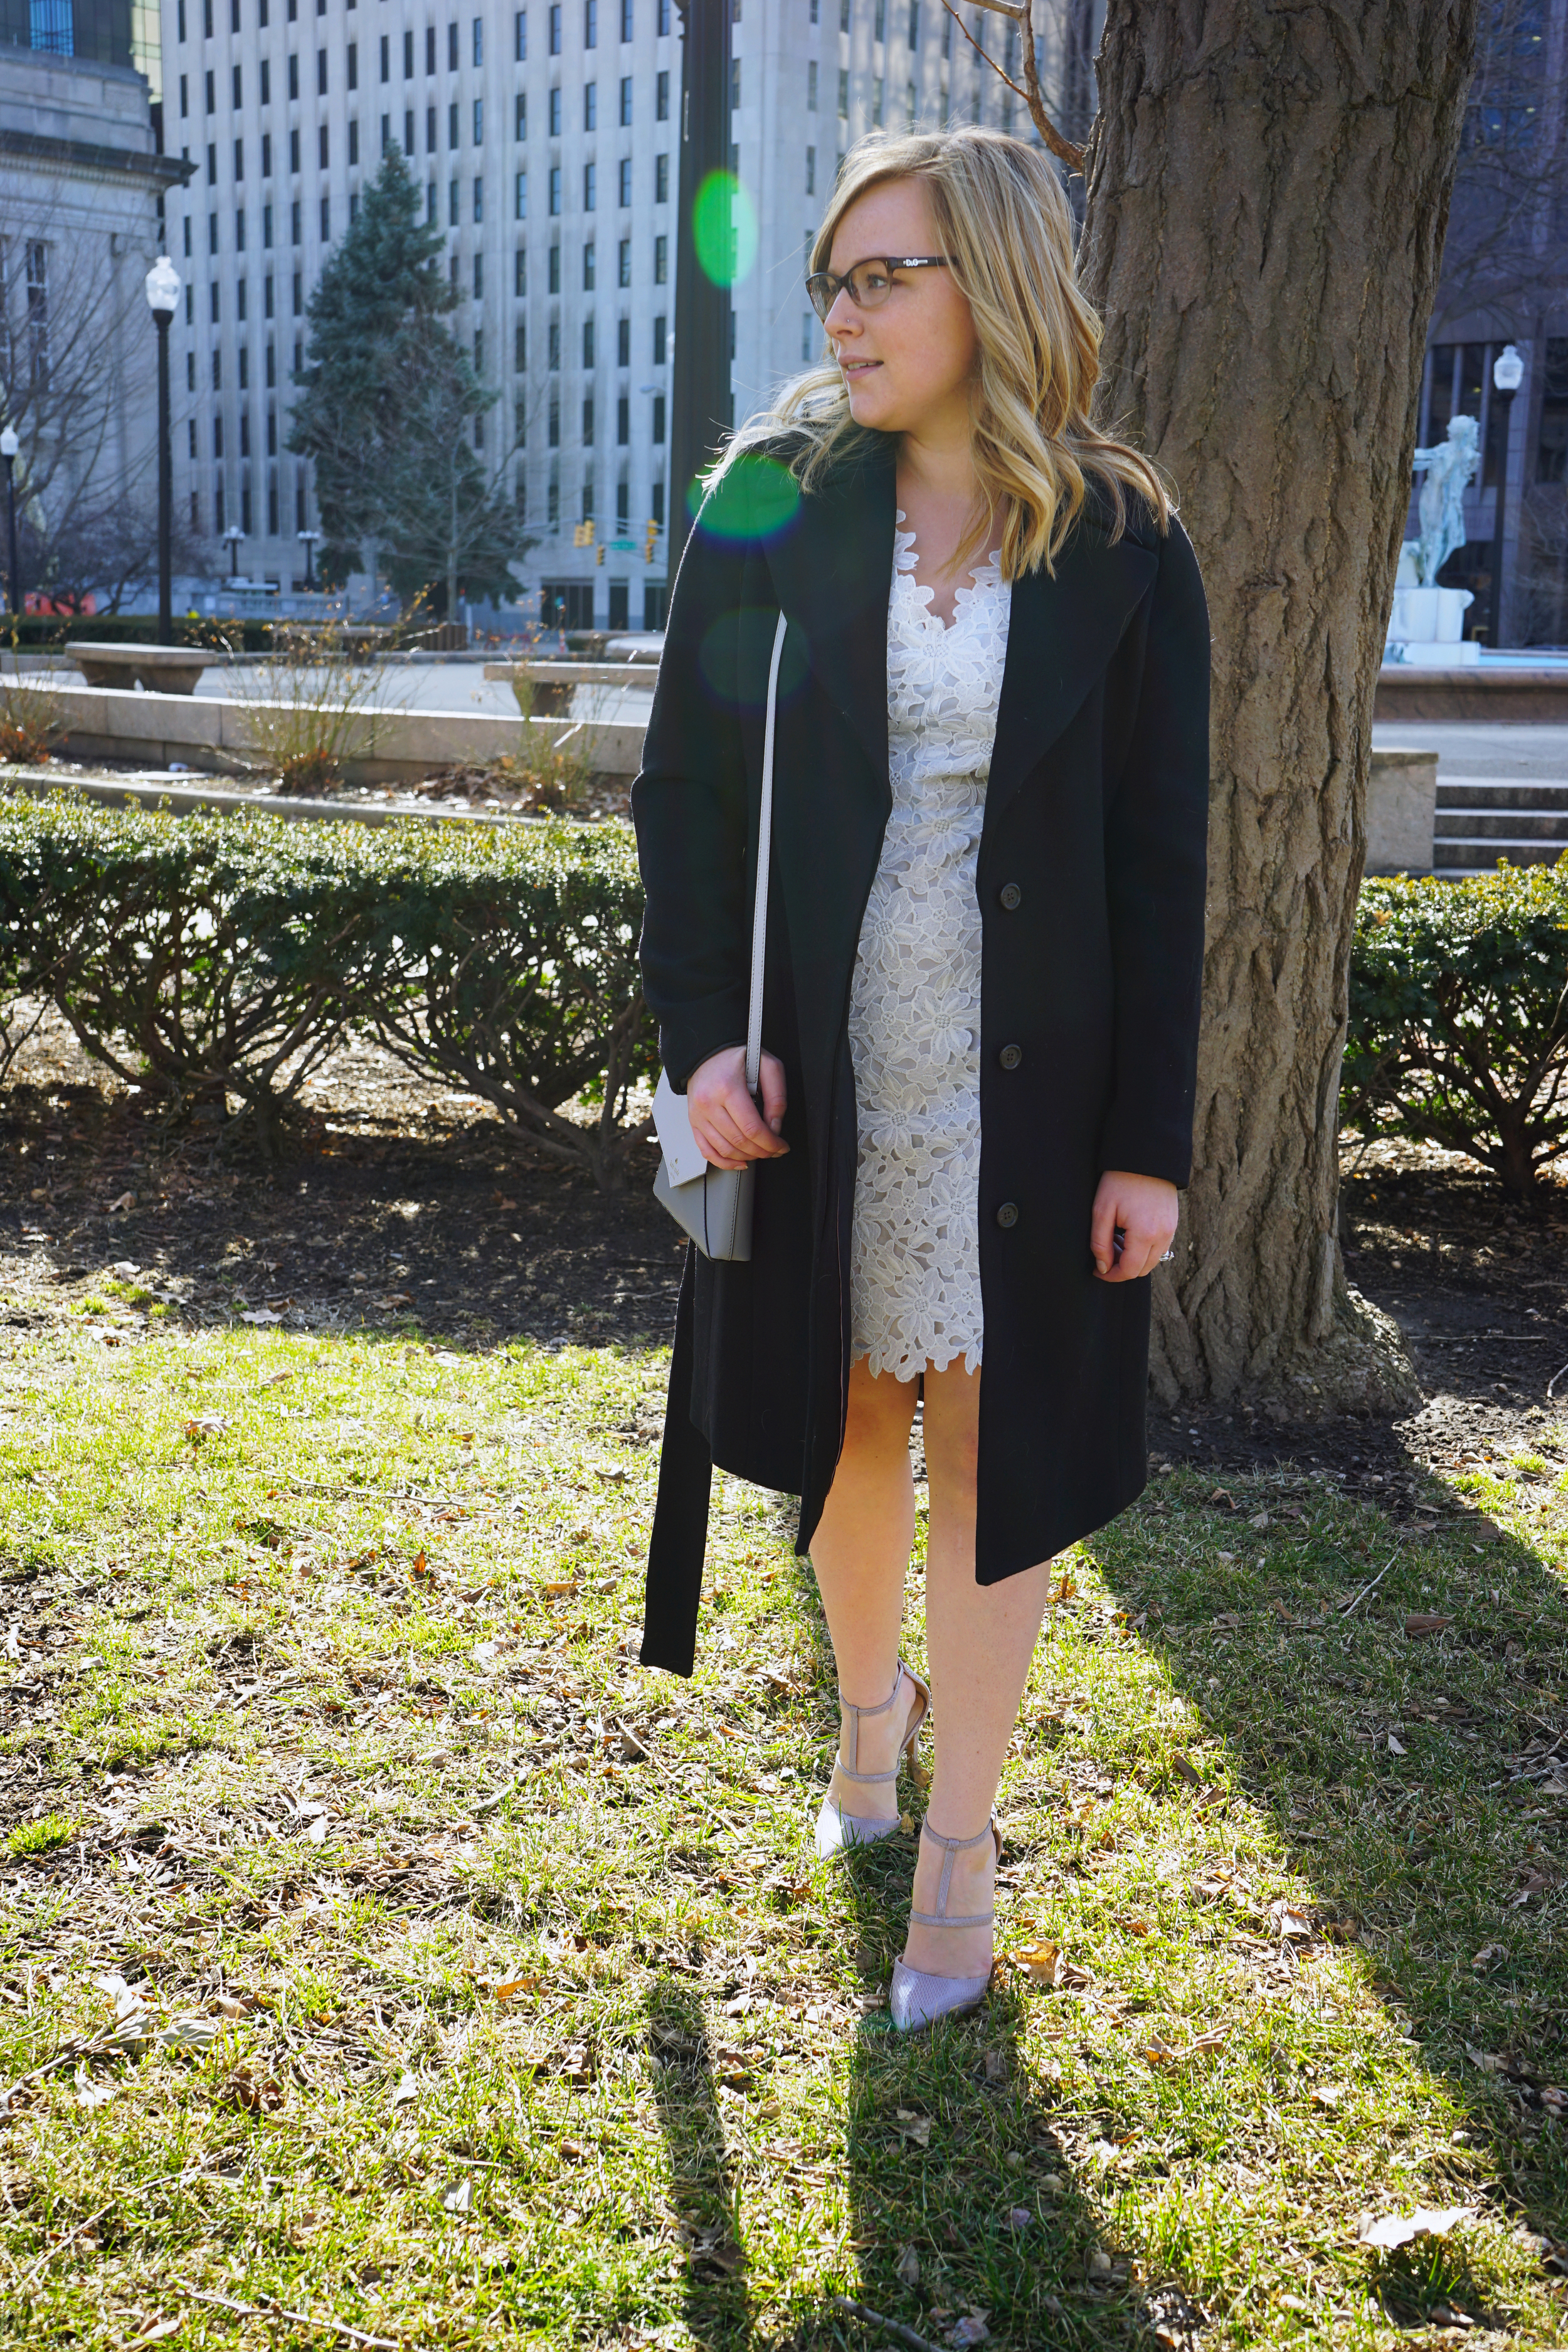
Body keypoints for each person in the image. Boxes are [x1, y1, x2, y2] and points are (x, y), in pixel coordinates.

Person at [632, 127, 1209, 2032]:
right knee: (851, 1413)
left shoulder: (1123, 544)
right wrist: (701, 1038)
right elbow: (688, 801)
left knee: (991, 1436)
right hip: (824, 1051)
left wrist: (1149, 1145)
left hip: (1027, 1075)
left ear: (996, 288)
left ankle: (955, 1845)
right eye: (835, 276)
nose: (844, 311)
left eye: (887, 275)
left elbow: (1159, 859)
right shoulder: (770, 506)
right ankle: (862, 1728)